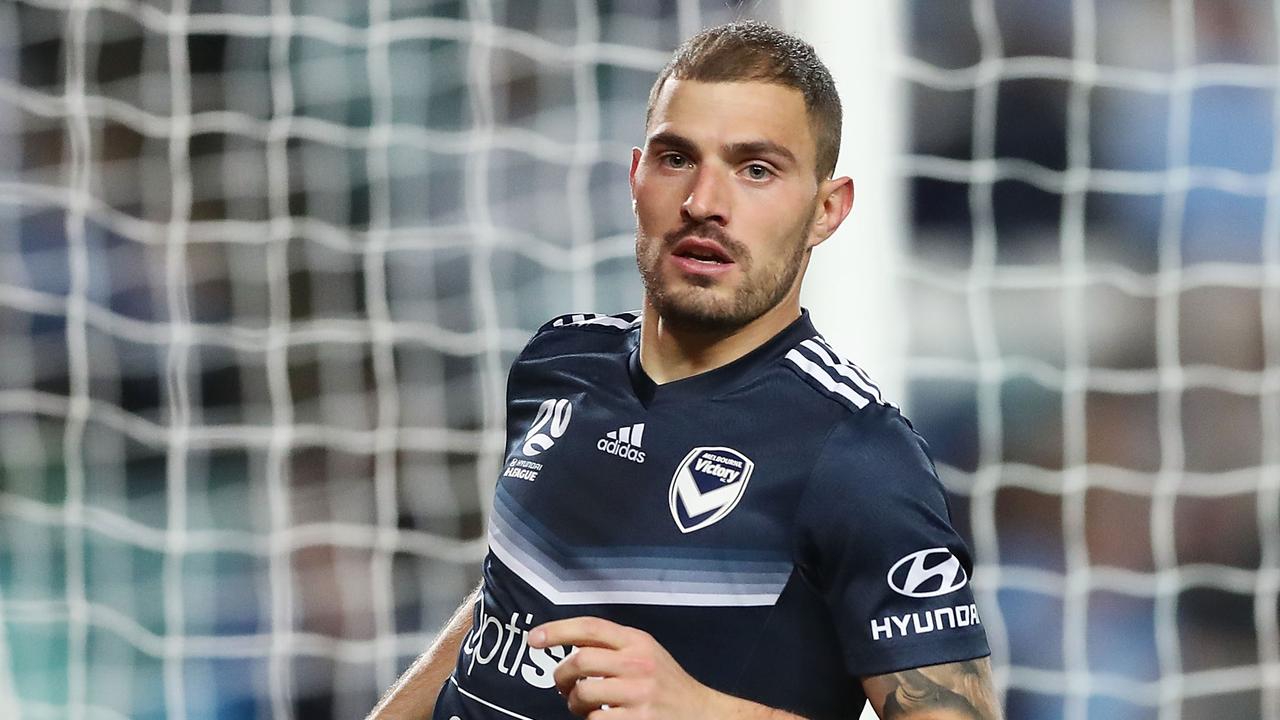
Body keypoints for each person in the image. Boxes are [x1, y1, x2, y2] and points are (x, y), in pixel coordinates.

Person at [368, 20, 1001, 720]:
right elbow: (505, 605)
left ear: (827, 210)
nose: (704, 202)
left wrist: (698, 709)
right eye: (676, 159)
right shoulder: (560, 362)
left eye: (755, 169)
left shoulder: (856, 456)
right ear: (636, 176)